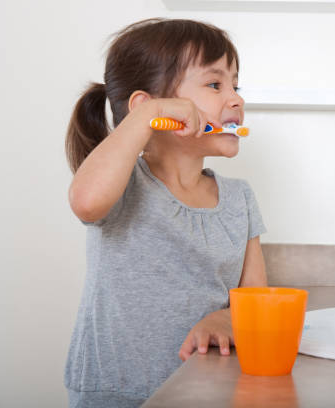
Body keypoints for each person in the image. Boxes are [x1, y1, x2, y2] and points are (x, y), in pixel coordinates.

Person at [64, 18, 267, 407]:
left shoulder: (239, 199)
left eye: (235, 86)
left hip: (205, 391)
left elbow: (255, 297)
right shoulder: (122, 183)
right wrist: (142, 118)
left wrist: (226, 319)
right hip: (114, 393)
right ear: (152, 107)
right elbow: (86, 201)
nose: (237, 100)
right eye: (214, 84)